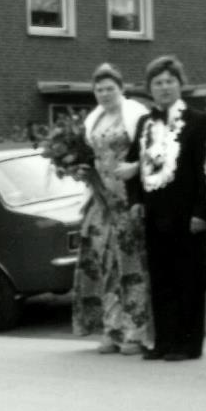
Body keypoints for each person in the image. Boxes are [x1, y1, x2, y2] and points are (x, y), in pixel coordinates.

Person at [126, 55, 206, 361]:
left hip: (187, 213)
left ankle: (188, 344)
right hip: (154, 211)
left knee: (187, 277)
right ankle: (164, 340)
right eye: (158, 83)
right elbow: (133, 164)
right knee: (161, 277)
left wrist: (202, 212)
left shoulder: (199, 121)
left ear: (180, 84)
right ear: (150, 88)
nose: (164, 87)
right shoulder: (144, 123)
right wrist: (136, 200)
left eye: (169, 81)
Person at [71, 63, 151, 355]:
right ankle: (112, 328)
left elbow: (151, 152)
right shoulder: (95, 119)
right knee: (104, 264)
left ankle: (135, 331)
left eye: (110, 88)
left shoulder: (137, 115)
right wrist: (82, 170)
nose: (104, 94)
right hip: (101, 199)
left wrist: (136, 168)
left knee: (130, 265)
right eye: (99, 89)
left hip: (127, 198)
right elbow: (91, 156)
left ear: (121, 88)